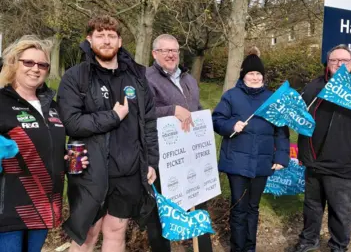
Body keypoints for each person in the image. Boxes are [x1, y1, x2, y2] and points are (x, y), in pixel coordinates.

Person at [57, 15, 159, 252]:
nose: (106, 41)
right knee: (87, 235)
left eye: (111, 36)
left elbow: (150, 123)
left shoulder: (137, 77)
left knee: (116, 231)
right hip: (90, 172)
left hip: (129, 172)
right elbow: (71, 123)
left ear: (120, 41)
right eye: (99, 35)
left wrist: (151, 161)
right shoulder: (76, 76)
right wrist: (113, 116)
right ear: (89, 39)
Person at [293, 45, 351, 252]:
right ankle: (309, 241)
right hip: (314, 159)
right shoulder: (315, 86)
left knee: (341, 209)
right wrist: (303, 151)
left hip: (344, 161)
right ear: (327, 63)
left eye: (343, 61)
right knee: (312, 207)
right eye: (334, 60)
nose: (338, 64)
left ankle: (338, 245)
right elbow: (300, 119)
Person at [0, 35, 88, 252]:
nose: (35, 69)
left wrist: (67, 162)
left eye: (42, 64)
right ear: (14, 63)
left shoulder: (53, 106)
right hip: (8, 209)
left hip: (43, 206)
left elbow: (49, 149)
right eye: (28, 62)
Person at [212, 47, 290, 252]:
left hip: (262, 162)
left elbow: (281, 131)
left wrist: (281, 156)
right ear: (243, 75)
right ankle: (237, 248)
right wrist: (231, 126)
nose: (255, 77)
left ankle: (250, 247)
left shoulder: (273, 99)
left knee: (253, 208)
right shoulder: (231, 96)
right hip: (236, 162)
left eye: (258, 74)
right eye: (251, 73)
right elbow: (217, 120)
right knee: (239, 209)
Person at [145, 34, 210, 251]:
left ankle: (202, 247)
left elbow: (194, 108)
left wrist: (204, 120)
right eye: (166, 51)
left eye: (175, 50)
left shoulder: (188, 79)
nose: (172, 54)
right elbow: (140, 113)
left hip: (191, 154)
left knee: (198, 201)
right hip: (161, 155)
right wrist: (171, 111)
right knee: (161, 210)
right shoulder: (146, 78)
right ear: (155, 54)